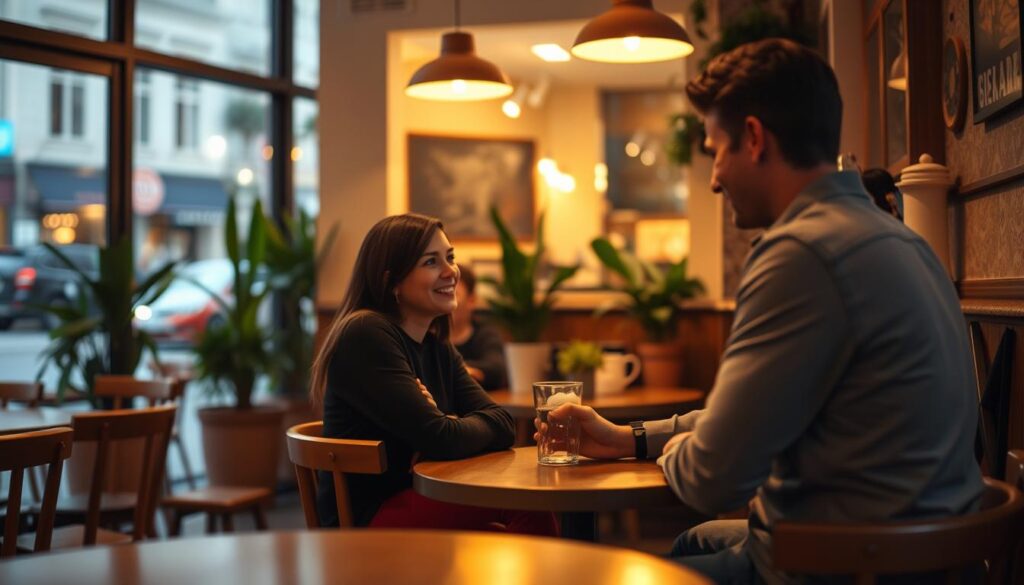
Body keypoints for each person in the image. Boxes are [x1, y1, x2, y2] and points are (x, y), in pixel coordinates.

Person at [539, 39, 982, 583]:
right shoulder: (898, 239)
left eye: (715, 149)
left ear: (753, 139)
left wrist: (683, 450)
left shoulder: (801, 255)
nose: (713, 178)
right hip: (918, 554)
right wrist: (631, 438)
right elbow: (752, 418)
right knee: (691, 542)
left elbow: (712, 479)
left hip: (844, 566)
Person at [311, 213, 557, 535]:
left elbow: (502, 423)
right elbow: (441, 439)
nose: (450, 271)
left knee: (524, 509)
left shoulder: (436, 344)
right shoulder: (365, 334)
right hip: (371, 518)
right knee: (527, 504)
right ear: (391, 281)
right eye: (431, 262)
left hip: (422, 495)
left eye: (450, 258)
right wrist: (443, 429)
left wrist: (447, 424)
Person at [451, 263, 507, 390]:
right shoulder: (425, 335)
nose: (448, 302)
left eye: (454, 294)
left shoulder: (485, 333)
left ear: (471, 301)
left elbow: (496, 369)